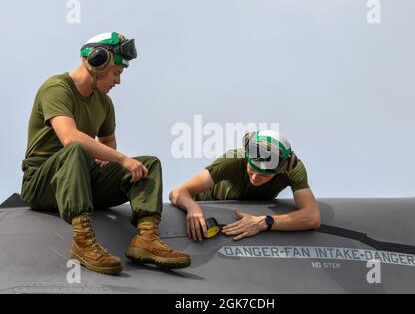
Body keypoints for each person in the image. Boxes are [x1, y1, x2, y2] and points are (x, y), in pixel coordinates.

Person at [21, 32, 190, 275]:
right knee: (76, 149)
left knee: (149, 164)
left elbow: (108, 140)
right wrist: (121, 158)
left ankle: (146, 238)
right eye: (116, 73)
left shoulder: (104, 103)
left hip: (84, 179)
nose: (118, 81)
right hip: (43, 182)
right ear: (97, 62)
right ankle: (82, 241)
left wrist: (107, 157)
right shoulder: (56, 88)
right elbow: (69, 137)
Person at [169, 130, 321, 241]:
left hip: (253, 213)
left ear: (282, 169)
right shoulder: (233, 160)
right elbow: (177, 192)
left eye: (263, 175)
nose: (255, 177)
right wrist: (192, 207)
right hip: (210, 206)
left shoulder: (293, 169)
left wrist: (264, 222)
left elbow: (312, 217)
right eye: (252, 169)